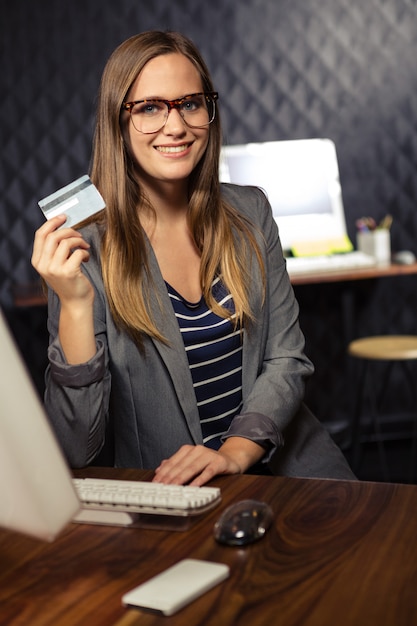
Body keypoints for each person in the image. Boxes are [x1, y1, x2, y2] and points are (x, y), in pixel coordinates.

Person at [31, 30, 355, 485]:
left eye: (190, 103)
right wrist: (76, 305)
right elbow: (75, 447)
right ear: (117, 123)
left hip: (291, 467)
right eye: (149, 108)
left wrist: (235, 453)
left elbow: (287, 359)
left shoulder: (250, 211)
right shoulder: (85, 248)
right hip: (174, 489)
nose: (176, 126)